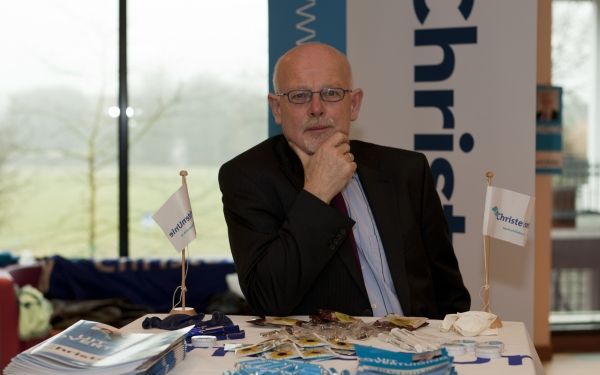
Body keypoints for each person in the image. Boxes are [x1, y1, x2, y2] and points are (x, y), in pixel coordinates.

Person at [218, 43, 470, 319]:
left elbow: (450, 295)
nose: (316, 108)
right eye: (300, 96)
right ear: (277, 108)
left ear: (354, 104)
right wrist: (317, 193)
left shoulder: (406, 171)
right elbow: (267, 298)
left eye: (331, 93)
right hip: (326, 358)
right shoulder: (247, 178)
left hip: (417, 352)